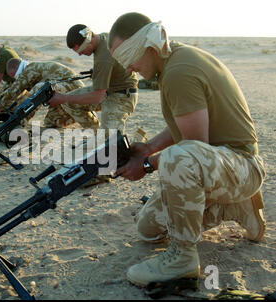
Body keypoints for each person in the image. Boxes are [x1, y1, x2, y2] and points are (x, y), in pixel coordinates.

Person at [108, 12, 266, 287]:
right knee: (147, 229)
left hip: (242, 166)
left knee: (178, 159)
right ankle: (238, 207)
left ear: (148, 44)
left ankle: (183, 256)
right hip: (220, 164)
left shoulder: (179, 72)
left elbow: (193, 148)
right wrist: (147, 147)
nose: (128, 69)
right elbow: (188, 125)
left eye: (128, 58)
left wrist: (145, 166)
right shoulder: (175, 62)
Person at [47, 24, 139, 136]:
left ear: (88, 40)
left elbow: (97, 96)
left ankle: (134, 139)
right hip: (109, 90)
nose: (80, 54)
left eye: (81, 50)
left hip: (121, 97)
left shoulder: (103, 58)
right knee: (69, 103)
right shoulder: (103, 38)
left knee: (111, 142)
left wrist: (63, 97)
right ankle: (96, 134)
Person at [0, 58, 83, 128]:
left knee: (38, 91)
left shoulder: (30, 69)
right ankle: (76, 115)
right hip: (71, 95)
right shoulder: (33, 68)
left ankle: (19, 121)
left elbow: (14, 91)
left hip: (74, 90)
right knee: (51, 122)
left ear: (14, 71)